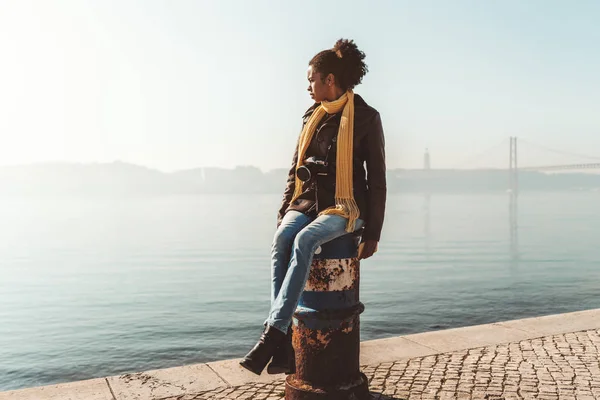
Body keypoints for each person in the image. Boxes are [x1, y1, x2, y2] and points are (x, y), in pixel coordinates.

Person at [239, 38, 387, 376]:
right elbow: (295, 170)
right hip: (306, 202)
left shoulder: (366, 117)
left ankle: (273, 334)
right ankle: (283, 335)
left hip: (345, 207)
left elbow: (377, 180)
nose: (308, 85)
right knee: (283, 239)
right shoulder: (311, 116)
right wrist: (283, 214)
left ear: (329, 80)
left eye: (312, 79)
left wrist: (373, 233)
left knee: (306, 240)